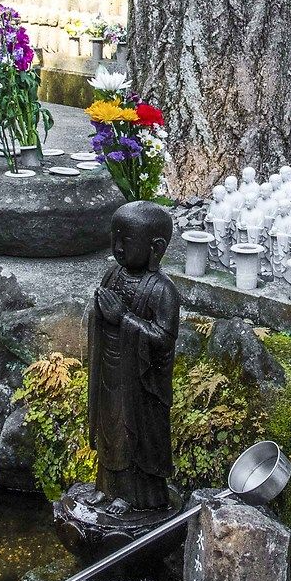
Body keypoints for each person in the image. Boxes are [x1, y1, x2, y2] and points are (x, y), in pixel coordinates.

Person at [84, 200, 180, 511]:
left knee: (131, 433)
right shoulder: (112, 274)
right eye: (114, 239)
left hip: (141, 381)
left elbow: (164, 339)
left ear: (156, 247)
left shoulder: (163, 290)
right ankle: (106, 487)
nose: (118, 248)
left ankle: (133, 496)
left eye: (126, 241)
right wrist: (100, 312)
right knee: (109, 428)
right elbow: (100, 314)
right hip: (110, 368)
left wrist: (124, 318)